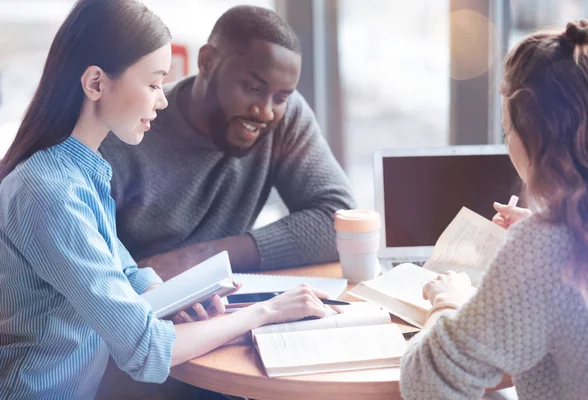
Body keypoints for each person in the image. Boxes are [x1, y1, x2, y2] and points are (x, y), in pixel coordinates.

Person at [0, 1, 337, 399]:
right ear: (95, 84)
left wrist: (181, 301)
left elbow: (128, 278)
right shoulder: (49, 192)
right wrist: (265, 312)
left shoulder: (81, 173)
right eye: (154, 83)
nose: (162, 101)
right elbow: (146, 349)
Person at [400, 20, 588, 400]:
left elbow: (428, 385)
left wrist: (449, 301)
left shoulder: (548, 247)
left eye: (507, 131)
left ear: (533, 139)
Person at [99, 5, 356, 281]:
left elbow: (341, 223)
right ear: (208, 62)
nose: (266, 111)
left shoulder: (286, 117)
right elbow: (93, 268)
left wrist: (202, 258)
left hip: (228, 302)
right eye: (251, 87)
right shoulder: (126, 133)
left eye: (280, 98)